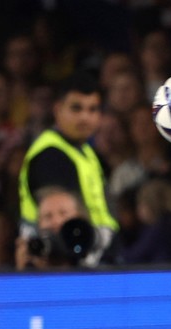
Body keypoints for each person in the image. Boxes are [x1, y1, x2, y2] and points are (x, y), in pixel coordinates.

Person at [18, 72, 117, 265]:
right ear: (58, 110)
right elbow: (60, 226)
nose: (85, 117)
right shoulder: (51, 155)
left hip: (92, 261)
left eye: (92, 109)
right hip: (62, 268)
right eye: (76, 108)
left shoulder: (85, 150)